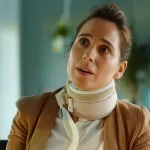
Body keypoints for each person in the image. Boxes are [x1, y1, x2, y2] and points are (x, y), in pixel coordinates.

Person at [6, 3, 150, 150]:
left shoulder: (137, 122)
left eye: (104, 49)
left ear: (120, 69)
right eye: (83, 41)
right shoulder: (29, 111)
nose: (88, 55)